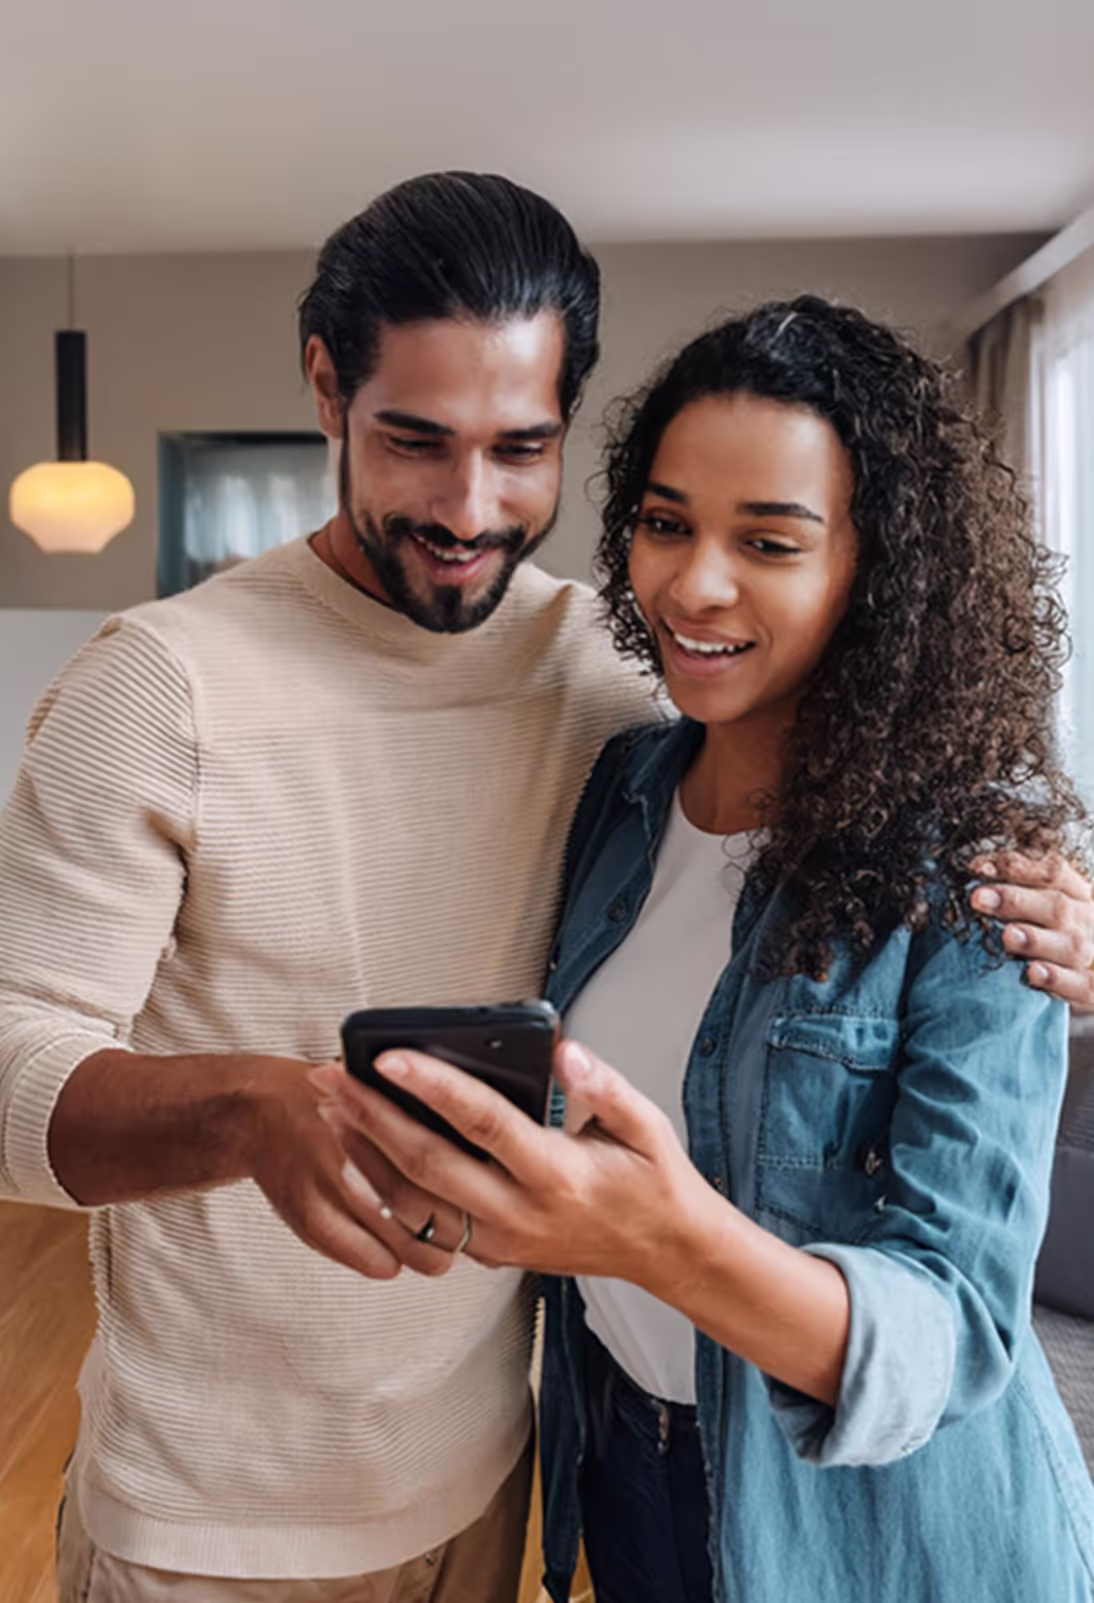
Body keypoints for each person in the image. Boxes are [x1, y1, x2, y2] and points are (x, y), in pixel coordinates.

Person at [314, 297, 1094, 1602]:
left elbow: (954, 1333)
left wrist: (659, 1241)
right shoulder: (621, 790)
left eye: (768, 540)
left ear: (875, 570)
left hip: (881, 1541)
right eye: (665, 523)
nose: (692, 584)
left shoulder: (974, 872)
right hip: (629, 1475)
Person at [0, 173, 656, 1603]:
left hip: (487, 1485)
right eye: (414, 441)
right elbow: (9, 1073)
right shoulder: (159, 682)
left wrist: (1039, 889)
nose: (469, 509)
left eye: (520, 450)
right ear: (323, 384)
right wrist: (257, 1108)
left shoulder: (609, 677)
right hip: (202, 1529)